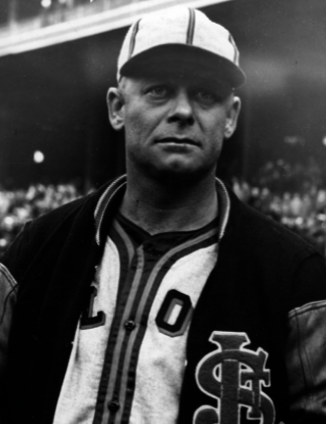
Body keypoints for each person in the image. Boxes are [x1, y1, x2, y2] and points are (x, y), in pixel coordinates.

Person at [1, 7, 326, 424]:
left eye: (206, 95)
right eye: (158, 91)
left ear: (230, 117)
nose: (183, 111)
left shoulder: (297, 277)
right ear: (117, 108)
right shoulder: (35, 250)